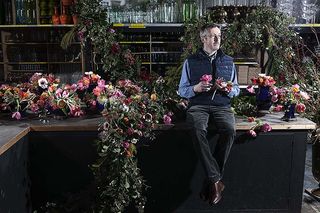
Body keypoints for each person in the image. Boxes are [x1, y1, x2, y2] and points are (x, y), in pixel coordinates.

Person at [178, 23, 240, 205]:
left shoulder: (228, 61)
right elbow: (181, 90)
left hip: (222, 106)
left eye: (219, 36)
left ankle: (213, 180)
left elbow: (236, 89)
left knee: (229, 130)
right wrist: (195, 89)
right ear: (203, 38)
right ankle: (215, 180)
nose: (217, 39)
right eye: (213, 36)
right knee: (197, 130)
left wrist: (228, 89)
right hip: (198, 106)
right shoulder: (190, 61)